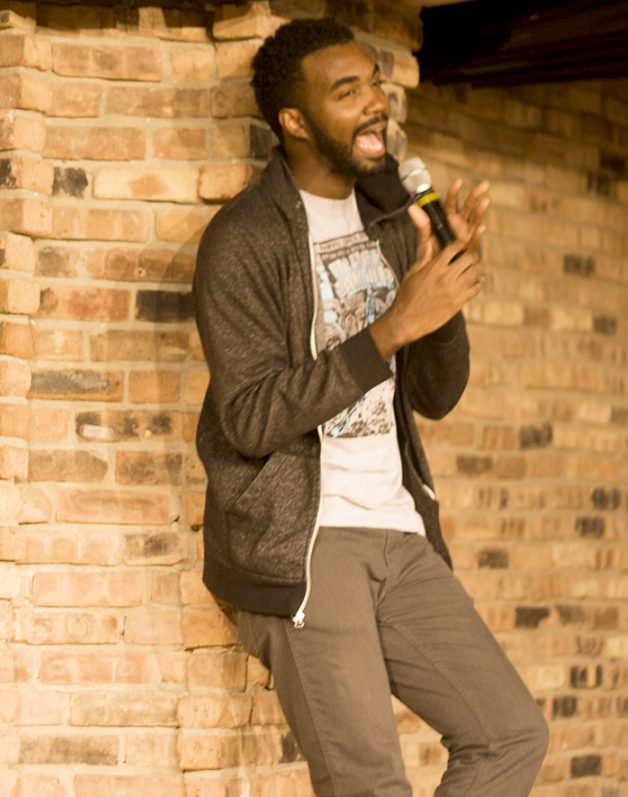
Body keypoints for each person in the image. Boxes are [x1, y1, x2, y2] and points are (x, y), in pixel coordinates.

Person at [193, 17, 548, 797]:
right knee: (368, 785)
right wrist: (390, 328)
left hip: (398, 530)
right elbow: (249, 416)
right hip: (307, 546)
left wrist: (440, 285)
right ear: (293, 120)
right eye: (347, 90)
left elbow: (435, 393)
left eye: (375, 86)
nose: (375, 103)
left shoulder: (391, 223)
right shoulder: (241, 241)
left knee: (509, 733)